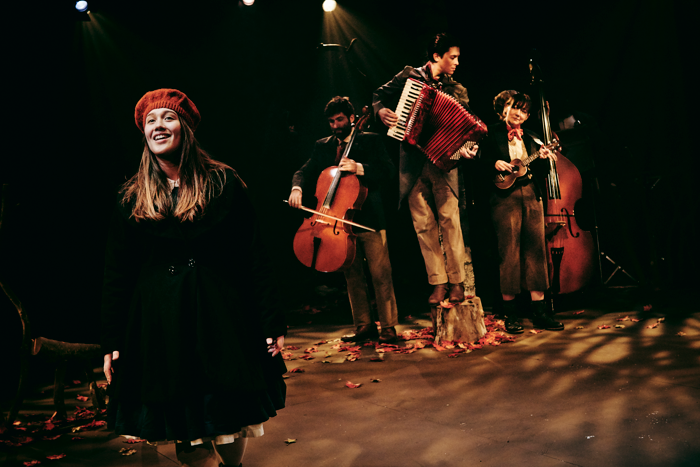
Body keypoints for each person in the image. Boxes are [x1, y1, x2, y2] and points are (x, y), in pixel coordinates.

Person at [101, 89, 287, 467]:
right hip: (161, 324)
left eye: (167, 118)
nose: (158, 126)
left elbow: (254, 254)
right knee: (185, 422)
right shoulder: (132, 196)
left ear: (184, 127)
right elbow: (117, 273)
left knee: (228, 417)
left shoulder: (223, 182)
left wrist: (271, 320)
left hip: (220, 316)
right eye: (151, 121)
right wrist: (113, 340)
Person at [372, 33, 479, 306]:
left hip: (444, 163)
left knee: (450, 222)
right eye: (452, 57)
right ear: (436, 56)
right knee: (423, 226)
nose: (456, 62)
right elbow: (378, 96)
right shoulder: (409, 76)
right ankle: (438, 283)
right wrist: (381, 111)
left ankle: (457, 282)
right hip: (413, 163)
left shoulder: (457, 90)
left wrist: (466, 148)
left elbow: (467, 130)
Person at [289, 96, 399, 343]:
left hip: (369, 218)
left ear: (352, 119)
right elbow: (303, 171)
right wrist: (297, 188)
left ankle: (389, 327)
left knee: (381, 273)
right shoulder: (323, 145)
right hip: (338, 223)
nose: (335, 126)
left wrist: (359, 167)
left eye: (339, 119)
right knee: (352, 275)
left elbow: (388, 171)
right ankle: (364, 326)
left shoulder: (370, 140)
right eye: (331, 121)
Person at [480, 91, 564, 333]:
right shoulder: (490, 132)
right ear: (506, 109)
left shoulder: (533, 137)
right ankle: (511, 313)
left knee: (536, 251)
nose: (519, 113)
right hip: (503, 198)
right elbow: (476, 162)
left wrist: (547, 158)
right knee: (509, 253)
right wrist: (494, 163)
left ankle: (540, 312)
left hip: (530, 195)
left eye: (525, 110)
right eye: (516, 108)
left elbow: (542, 171)